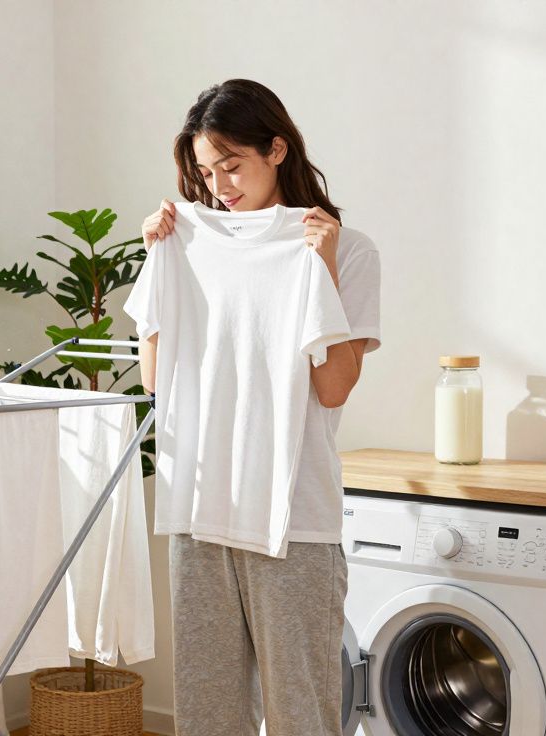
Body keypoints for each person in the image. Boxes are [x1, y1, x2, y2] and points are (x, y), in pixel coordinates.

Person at [135, 79, 382, 735]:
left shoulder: (347, 250)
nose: (220, 186)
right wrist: (155, 259)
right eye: (206, 171)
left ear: (276, 149)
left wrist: (321, 269)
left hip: (293, 518)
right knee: (208, 714)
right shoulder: (184, 241)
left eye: (232, 164)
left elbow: (333, 389)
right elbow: (155, 380)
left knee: (302, 714)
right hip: (199, 506)